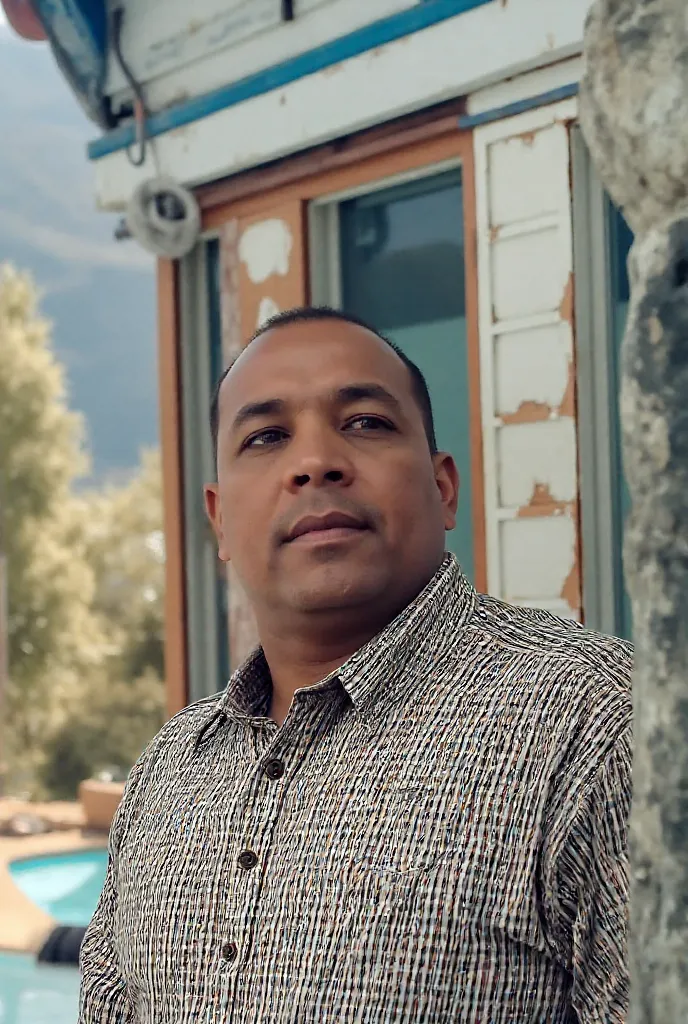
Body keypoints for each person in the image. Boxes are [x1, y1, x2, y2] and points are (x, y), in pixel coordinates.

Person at [79, 306, 632, 1023]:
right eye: (267, 437)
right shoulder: (168, 770)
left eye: (366, 423)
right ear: (219, 520)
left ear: (442, 488)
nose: (315, 462)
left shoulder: (596, 723)